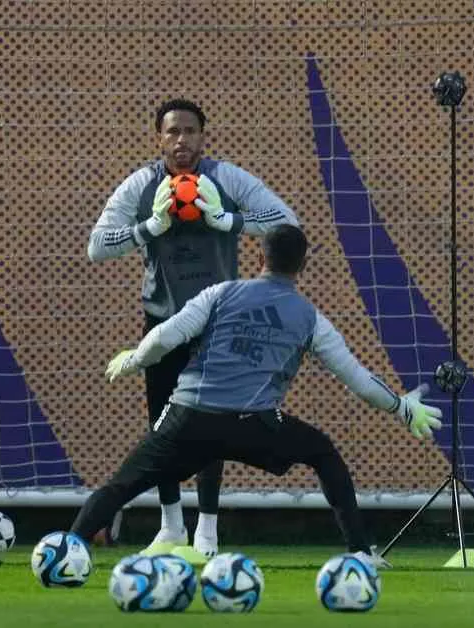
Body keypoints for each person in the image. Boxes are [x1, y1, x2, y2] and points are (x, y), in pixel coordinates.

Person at [70, 225, 442, 566]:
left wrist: (133, 360)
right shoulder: (310, 318)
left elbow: (165, 337)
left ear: (260, 259)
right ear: (303, 266)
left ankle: (67, 548)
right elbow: (358, 380)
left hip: (188, 417)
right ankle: (361, 552)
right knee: (322, 452)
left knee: (122, 484)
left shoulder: (220, 293)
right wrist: (402, 408)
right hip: (253, 426)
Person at [87, 98, 299, 560]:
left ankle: (207, 530)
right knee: (163, 424)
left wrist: (231, 221)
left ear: (204, 137)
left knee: (211, 426)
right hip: (161, 319)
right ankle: (170, 526)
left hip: (217, 324)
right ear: (158, 138)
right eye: (172, 132)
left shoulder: (227, 179)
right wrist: (149, 227)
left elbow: (287, 223)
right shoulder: (141, 184)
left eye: (189, 131)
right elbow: (97, 246)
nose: (181, 141)